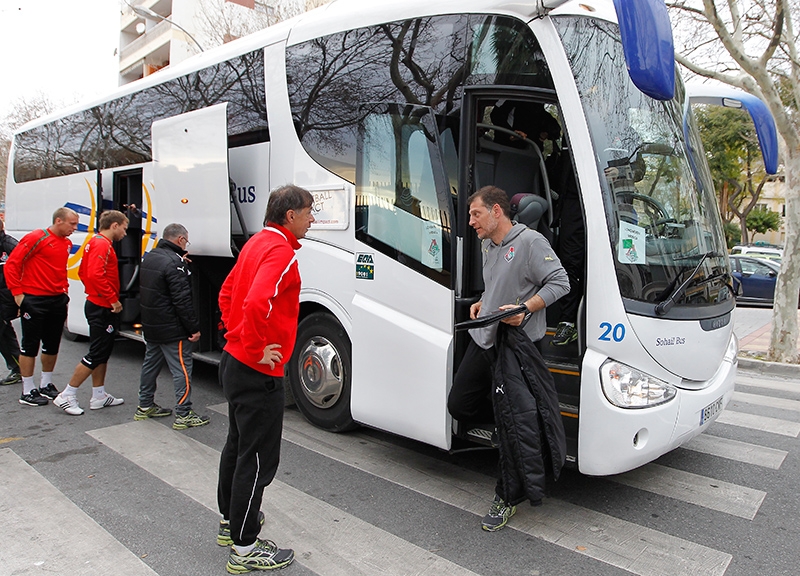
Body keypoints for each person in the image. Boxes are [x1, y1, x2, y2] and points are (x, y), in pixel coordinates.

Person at [448, 186, 569, 532]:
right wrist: (483, 303)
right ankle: (507, 425)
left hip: (516, 346)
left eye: (476, 214)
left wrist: (524, 310)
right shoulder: (488, 244)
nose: (470, 221)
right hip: (483, 337)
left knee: (512, 425)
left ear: (497, 211)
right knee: (459, 404)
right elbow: (497, 283)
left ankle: (506, 497)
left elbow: (560, 283)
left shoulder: (530, 242)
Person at [216, 185, 314, 573]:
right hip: (257, 371)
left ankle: (232, 522)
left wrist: (237, 336)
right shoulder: (281, 251)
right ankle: (244, 547)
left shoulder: (257, 243)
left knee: (237, 446)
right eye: (309, 212)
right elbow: (258, 302)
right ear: (289, 215)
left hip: (234, 362)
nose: (312, 219)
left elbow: (227, 294)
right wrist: (256, 347)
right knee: (257, 459)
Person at [134, 223, 209, 430]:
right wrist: (193, 328)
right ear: (180, 240)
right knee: (182, 370)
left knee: (150, 365)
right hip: (172, 328)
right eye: (186, 241)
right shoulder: (174, 264)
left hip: (152, 325)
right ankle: (184, 414)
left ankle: (145, 405)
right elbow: (182, 301)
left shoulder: (151, 256)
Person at [53, 210, 129, 415]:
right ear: (114, 225)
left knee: (102, 353)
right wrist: (111, 299)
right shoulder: (103, 244)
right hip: (102, 306)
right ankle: (67, 394)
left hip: (96, 303)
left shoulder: (94, 242)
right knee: (96, 353)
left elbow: (82, 273)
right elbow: (95, 274)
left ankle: (99, 395)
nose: (125, 233)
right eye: (124, 228)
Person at [4, 207, 79, 406]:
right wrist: (18, 294)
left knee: (52, 344)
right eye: (72, 224)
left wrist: (64, 293)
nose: (75, 227)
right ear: (59, 221)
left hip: (56, 299)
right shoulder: (37, 237)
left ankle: (46, 384)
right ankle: (27, 390)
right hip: (34, 299)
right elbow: (12, 264)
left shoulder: (67, 243)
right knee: (30, 345)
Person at [0, 219, 22, 386]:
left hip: (5, 297)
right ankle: (17, 368)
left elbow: (25, 265)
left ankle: (18, 368)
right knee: (5, 333)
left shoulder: (9, 244)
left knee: (4, 331)